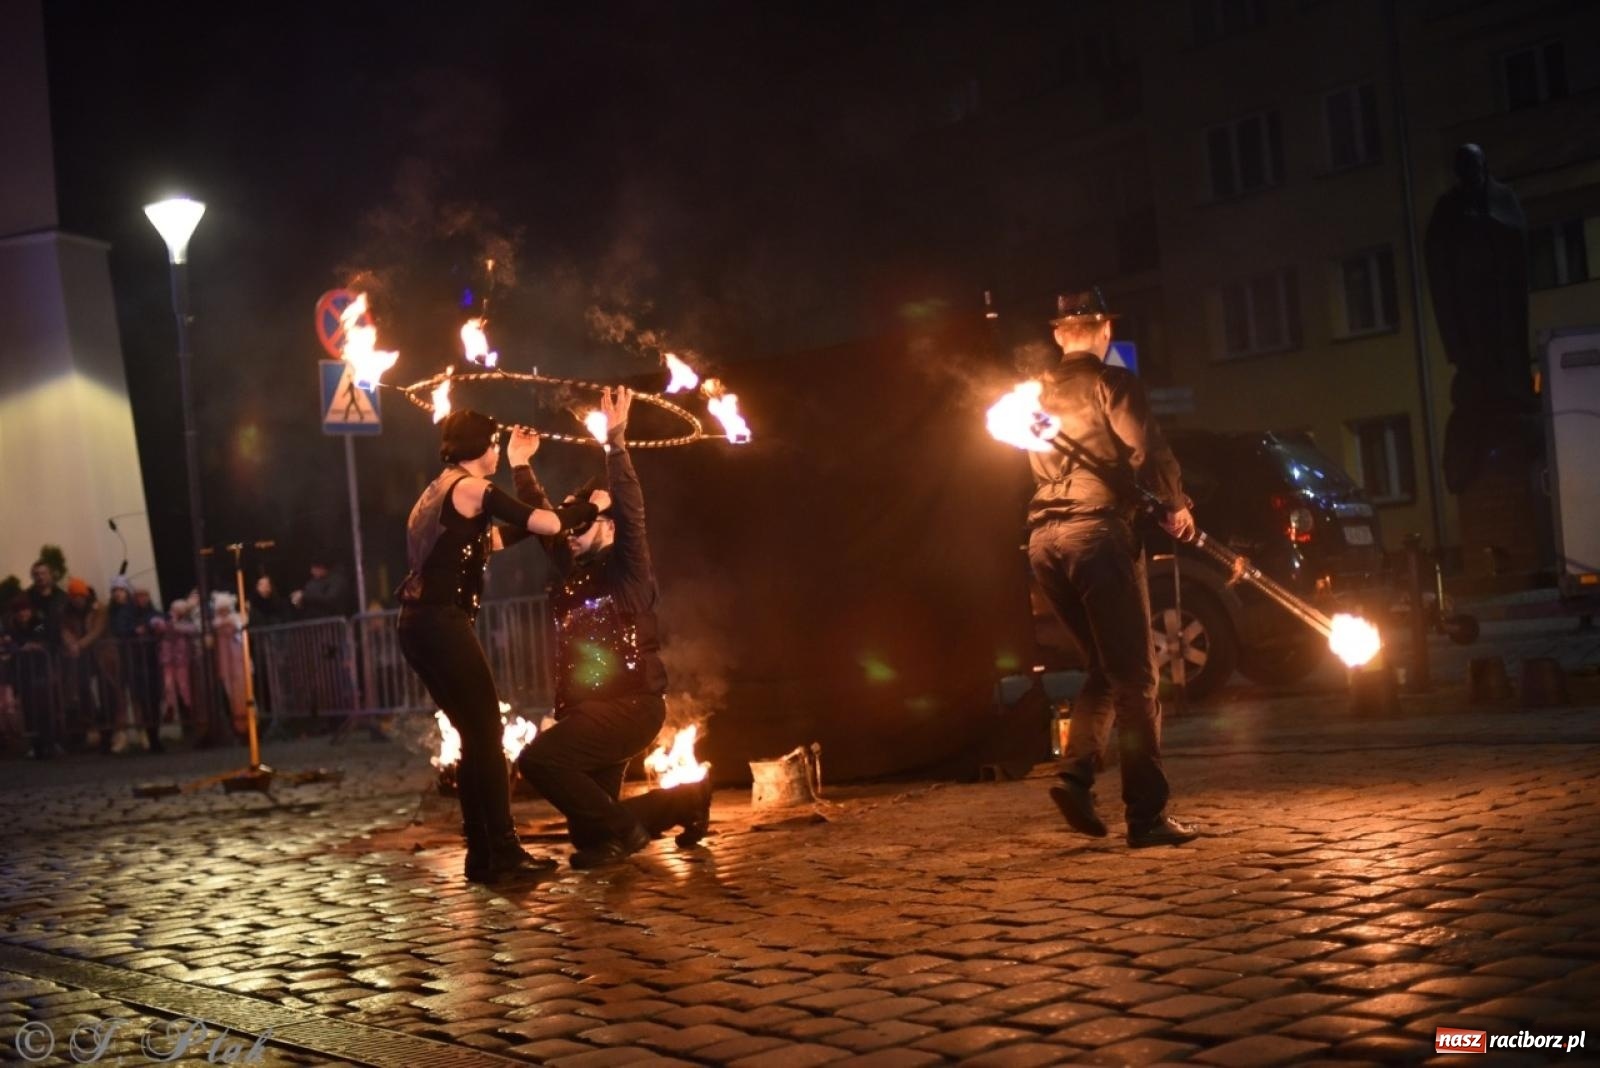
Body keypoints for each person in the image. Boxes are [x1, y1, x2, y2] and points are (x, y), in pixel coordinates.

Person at [397, 408, 605, 885]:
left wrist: (554, 510)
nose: (496, 452)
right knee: (487, 736)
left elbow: (489, 540)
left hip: (420, 626)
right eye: (493, 445)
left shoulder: (440, 490)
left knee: (477, 738)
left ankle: (483, 852)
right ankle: (504, 851)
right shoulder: (471, 487)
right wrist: (590, 506)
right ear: (478, 448)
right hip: (441, 625)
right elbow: (547, 526)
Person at [1026, 288, 1200, 848]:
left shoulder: (1034, 395)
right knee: (1137, 677)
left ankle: (1075, 777)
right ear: (1104, 333)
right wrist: (1176, 504)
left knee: (1105, 664)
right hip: (1097, 534)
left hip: (1044, 541)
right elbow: (1144, 449)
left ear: (1058, 336)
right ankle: (1146, 816)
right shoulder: (1114, 383)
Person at [514, 387, 715, 869]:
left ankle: (628, 828)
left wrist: (616, 440)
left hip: (631, 706)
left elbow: (630, 507)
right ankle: (683, 802)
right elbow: (545, 526)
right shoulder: (571, 566)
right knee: (591, 836)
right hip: (591, 709)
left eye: (581, 523)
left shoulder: (627, 565)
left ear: (606, 524)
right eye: (568, 525)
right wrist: (521, 466)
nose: (570, 532)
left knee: (539, 762)